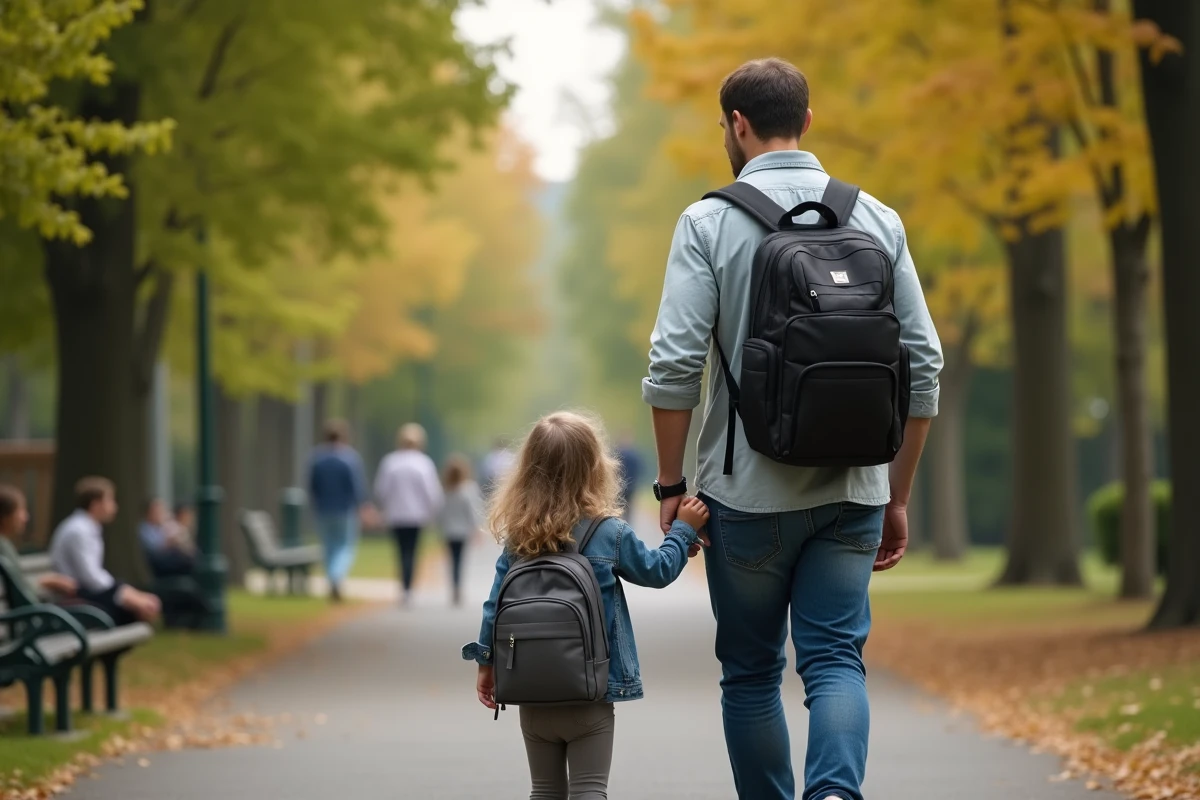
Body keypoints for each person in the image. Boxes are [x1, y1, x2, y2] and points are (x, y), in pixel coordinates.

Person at [642, 59, 942, 800]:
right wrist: (896, 493)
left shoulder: (708, 220)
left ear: (736, 126)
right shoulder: (877, 218)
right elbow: (925, 366)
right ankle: (835, 794)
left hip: (746, 493)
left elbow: (674, 363)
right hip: (854, 490)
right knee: (836, 659)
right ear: (807, 121)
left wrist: (674, 485)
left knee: (750, 672)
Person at [462, 411, 710, 800]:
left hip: (532, 689)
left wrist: (486, 664)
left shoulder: (520, 536)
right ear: (595, 468)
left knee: (543, 790)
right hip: (591, 688)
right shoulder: (607, 532)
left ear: (527, 470)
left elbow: (495, 604)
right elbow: (658, 571)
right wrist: (683, 530)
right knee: (590, 789)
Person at [49, 477, 161, 624]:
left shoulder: (86, 527)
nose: (115, 507)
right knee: (133, 610)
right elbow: (90, 578)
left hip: (85, 591)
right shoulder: (79, 531)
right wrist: (127, 595)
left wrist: (128, 593)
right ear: (96, 504)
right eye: (110, 501)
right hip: (76, 595)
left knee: (138, 604)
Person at [374, 423, 443, 606]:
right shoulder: (424, 463)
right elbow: (432, 492)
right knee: (412, 551)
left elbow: (381, 490)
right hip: (417, 516)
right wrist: (432, 511)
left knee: (400, 550)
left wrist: (385, 506)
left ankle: (403, 586)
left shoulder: (390, 462)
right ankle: (408, 588)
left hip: (396, 515)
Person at [308, 419, 370, 602]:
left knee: (328, 547)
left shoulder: (316, 458)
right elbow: (356, 487)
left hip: (323, 510)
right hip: (345, 510)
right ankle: (336, 577)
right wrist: (363, 506)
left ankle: (331, 579)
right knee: (345, 547)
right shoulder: (350, 458)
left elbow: (312, 486)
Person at [0, 484, 78, 599]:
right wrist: (44, 582)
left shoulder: (5, 544)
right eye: (21, 510)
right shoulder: (3, 547)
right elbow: (20, 592)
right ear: (5, 516)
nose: (26, 517)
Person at [438, 454, 483, 607]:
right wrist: (476, 529)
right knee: (459, 560)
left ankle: (455, 586)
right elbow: (472, 511)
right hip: (462, 531)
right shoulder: (469, 489)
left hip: (449, 531)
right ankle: (458, 586)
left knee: (453, 560)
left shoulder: (445, 490)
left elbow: (441, 512)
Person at [139, 498, 196, 578]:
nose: (160, 514)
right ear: (149, 512)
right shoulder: (145, 529)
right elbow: (157, 550)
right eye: (157, 511)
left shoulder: (161, 527)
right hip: (160, 564)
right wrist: (172, 541)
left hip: (171, 560)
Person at [615, 432, 643, 522]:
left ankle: (619, 527)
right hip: (630, 486)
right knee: (628, 510)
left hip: (620, 486)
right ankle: (626, 526)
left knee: (619, 508)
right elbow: (638, 471)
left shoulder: (617, 454)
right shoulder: (634, 455)